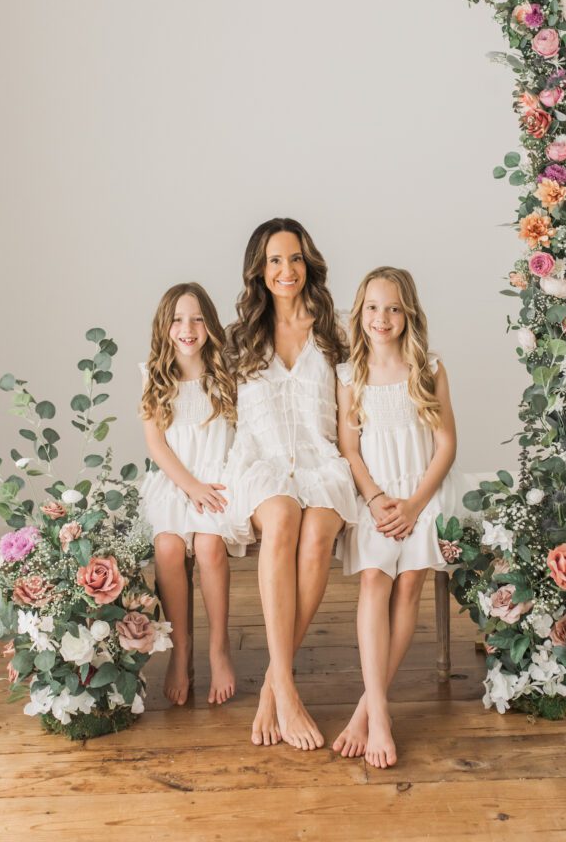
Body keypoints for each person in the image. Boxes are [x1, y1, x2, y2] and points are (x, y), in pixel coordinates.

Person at [224, 217, 359, 750]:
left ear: (309, 264)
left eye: (296, 258)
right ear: (259, 269)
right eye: (275, 260)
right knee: (281, 517)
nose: (287, 270)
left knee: (318, 531)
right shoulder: (238, 338)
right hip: (261, 462)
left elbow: (370, 392)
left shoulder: (336, 331)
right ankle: (286, 687)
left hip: (323, 461)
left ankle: (272, 687)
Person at [333, 267, 461, 768]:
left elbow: (446, 445)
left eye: (392, 308)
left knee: (409, 586)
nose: (381, 318)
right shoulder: (350, 375)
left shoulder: (428, 368)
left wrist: (414, 504)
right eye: (372, 307)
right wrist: (375, 498)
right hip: (377, 496)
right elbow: (349, 448)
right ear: (360, 312)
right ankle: (380, 713)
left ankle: (368, 711)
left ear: (408, 314)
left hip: (423, 492)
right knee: (374, 579)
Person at [140, 283, 240, 706]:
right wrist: (190, 486)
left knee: (209, 545)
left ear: (210, 325)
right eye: (178, 320)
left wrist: (207, 487)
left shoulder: (225, 373)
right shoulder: (154, 377)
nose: (188, 328)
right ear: (164, 327)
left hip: (218, 478)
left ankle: (218, 647)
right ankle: (181, 650)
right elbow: (157, 445)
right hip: (176, 481)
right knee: (167, 547)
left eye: (197, 319)